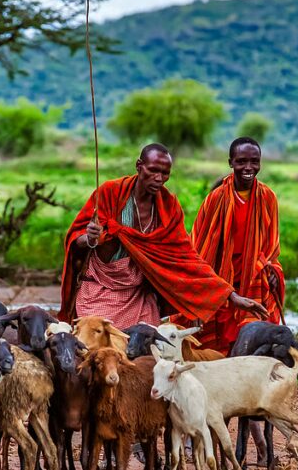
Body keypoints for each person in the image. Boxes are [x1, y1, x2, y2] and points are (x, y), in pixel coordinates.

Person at [59, 143, 267, 328]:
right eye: (153, 171)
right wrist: (90, 239)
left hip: (138, 295)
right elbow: (76, 240)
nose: (159, 179)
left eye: (165, 173)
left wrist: (231, 295)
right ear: (139, 166)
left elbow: (187, 258)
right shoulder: (110, 192)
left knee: (145, 350)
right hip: (99, 290)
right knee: (95, 346)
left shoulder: (169, 207)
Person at [189, 137, 284, 354]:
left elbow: (271, 245)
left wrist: (272, 268)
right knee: (217, 335)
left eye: (254, 161)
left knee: (255, 329)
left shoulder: (268, 197)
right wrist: (215, 284)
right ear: (231, 163)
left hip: (254, 276)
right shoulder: (216, 198)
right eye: (241, 161)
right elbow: (199, 246)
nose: (248, 168)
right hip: (221, 275)